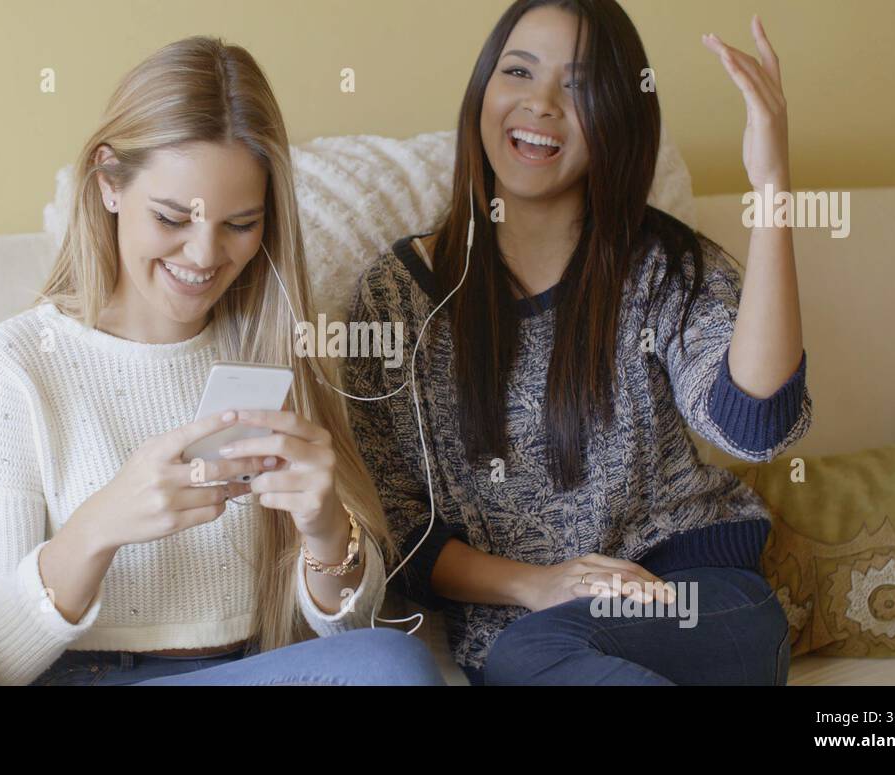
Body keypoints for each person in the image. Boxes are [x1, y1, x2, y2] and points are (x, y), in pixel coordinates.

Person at [0, 35, 444, 686]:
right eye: (171, 216)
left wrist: (329, 532)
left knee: (394, 664)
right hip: (88, 675)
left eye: (239, 224)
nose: (204, 255)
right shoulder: (15, 363)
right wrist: (101, 523)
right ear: (108, 184)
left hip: (254, 667)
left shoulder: (276, 347)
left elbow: (347, 639)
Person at [345, 0, 808, 685]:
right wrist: (537, 584)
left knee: (534, 658)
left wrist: (772, 191)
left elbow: (757, 423)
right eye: (519, 71)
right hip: (524, 635)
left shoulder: (665, 268)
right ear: (483, 91)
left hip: (696, 600)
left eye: (579, 86)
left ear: (619, 116)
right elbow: (392, 528)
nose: (541, 104)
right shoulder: (397, 297)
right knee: (531, 657)